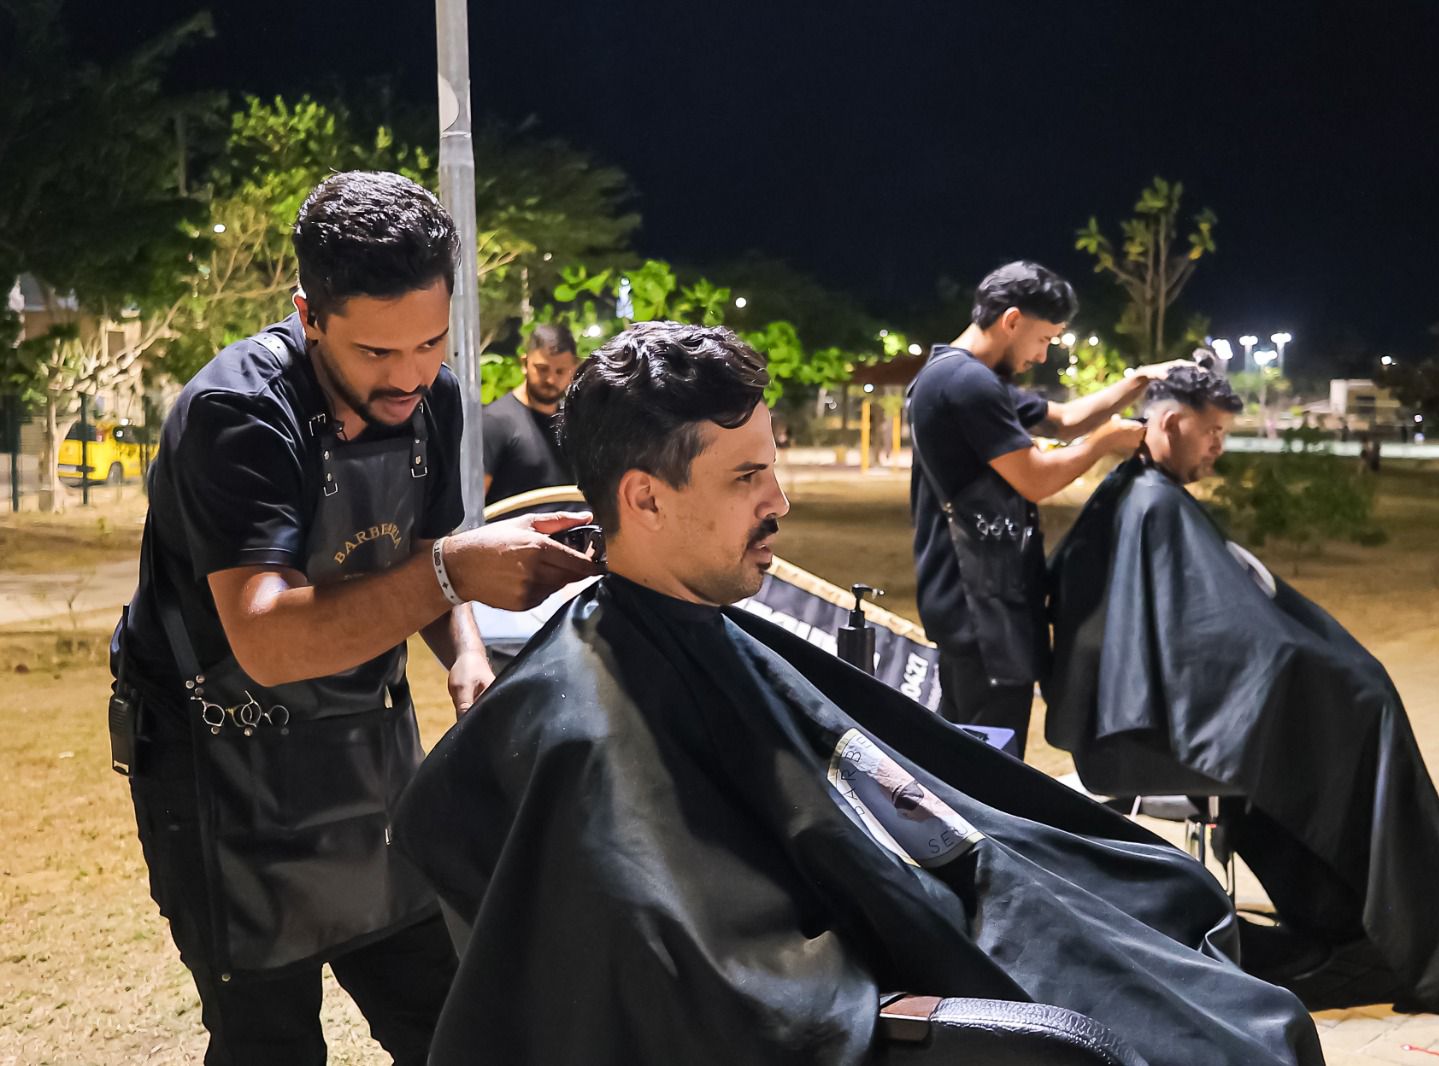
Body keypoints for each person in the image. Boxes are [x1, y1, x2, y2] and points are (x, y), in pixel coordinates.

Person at [392, 321, 1324, 1066]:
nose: (780, 502)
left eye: (773, 466)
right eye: (747, 476)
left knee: (1185, 918)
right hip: (918, 977)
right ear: (644, 498)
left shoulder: (708, 634)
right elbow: (719, 987)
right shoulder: (586, 721)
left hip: (943, 914)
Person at [108, 171, 602, 1064]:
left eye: (430, 342)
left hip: (365, 751)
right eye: (376, 351)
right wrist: (456, 573)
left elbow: (424, 550)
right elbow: (265, 638)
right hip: (219, 766)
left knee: (451, 1018)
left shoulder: (434, 399)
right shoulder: (240, 416)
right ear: (308, 315)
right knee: (268, 1041)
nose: (409, 374)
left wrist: (464, 653)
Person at [1043, 365, 1439, 1012]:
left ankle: (1348, 913)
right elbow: (1224, 636)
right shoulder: (1153, 503)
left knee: (1345, 722)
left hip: (1153, 717)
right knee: (1354, 727)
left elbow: (1218, 624)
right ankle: (1409, 920)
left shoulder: (1143, 495)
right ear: (1170, 423)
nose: (1219, 446)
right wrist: (1331, 679)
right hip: (1158, 734)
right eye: (1212, 431)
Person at [907, 261, 1184, 755]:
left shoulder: (961, 376)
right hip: (981, 605)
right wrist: (1106, 442)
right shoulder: (967, 384)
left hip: (976, 602)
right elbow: (1035, 478)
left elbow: (1063, 420)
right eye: (1044, 338)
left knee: (960, 755)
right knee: (989, 763)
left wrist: (1137, 381)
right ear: (1012, 320)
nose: (1043, 354)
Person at [482, 322, 577, 509]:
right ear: (524, 363)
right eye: (542, 369)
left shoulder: (575, 423)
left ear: (573, 370)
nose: (551, 379)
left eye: (560, 371)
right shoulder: (494, 422)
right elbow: (474, 503)